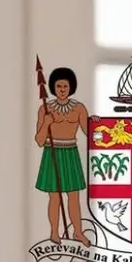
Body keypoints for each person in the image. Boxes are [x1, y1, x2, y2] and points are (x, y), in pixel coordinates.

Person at [33, 66, 89, 244]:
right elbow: (39, 140)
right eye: (58, 87)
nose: (62, 90)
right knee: (54, 197)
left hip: (70, 153)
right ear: (53, 88)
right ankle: (54, 232)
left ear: (71, 87)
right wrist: (46, 124)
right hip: (52, 153)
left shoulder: (79, 108)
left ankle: (77, 232)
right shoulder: (45, 109)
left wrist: (97, 125)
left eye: (65, 86)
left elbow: (89, 132)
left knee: (74, 196)